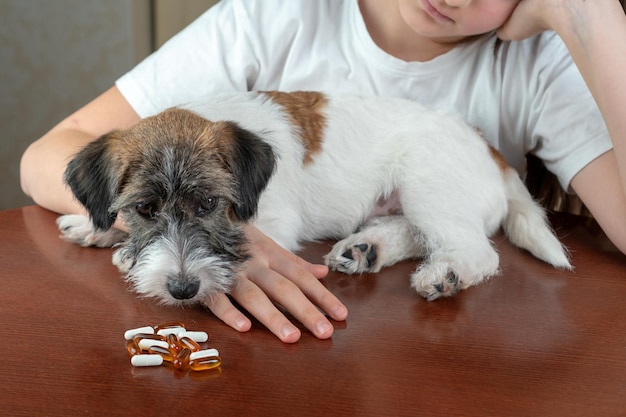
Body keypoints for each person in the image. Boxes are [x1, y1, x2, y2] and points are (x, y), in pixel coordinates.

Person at [20, 0, 626, 343]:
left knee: (425, 182)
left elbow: (269, 225)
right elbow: (51, 157)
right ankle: (401, 241)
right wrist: (123, 222)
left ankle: (468, 254)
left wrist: (588, 16)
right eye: (144, 208)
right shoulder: (270, 16)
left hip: (451, 321)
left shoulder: (539, 65)